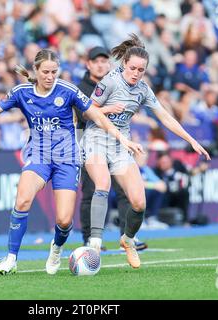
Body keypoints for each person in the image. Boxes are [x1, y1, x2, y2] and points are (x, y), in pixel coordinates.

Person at [0, 48, 143, 275]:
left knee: (63, 221)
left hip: (67, 159)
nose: (50, 77)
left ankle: (56, 248)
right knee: (22, 201)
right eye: (46, 72)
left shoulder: (68, 90)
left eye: (54, 72)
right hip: (38, 156)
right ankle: (11, 258)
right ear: (36, 71)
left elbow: (97, 115)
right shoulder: (21, 92)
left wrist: (121, 137)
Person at [81, 34, 210, 269]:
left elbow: (164, 117)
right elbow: (88, 111)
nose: (136, 73)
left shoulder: (142, 89)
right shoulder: (108, 82)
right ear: (124, 65)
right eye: (133, 68)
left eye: (141, 70)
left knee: (139, 203)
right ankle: (94, 244)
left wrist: (191, 140)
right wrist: (109, 108)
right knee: (102, 185)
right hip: (96, 139)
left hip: (122, 145)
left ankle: (127, 241)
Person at [75, 46, 147, 250]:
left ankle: (127, 236)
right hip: (90, 140)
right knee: (92, 189)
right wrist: (105, 109)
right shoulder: (82, 87)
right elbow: (82, 115)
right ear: (88, 64)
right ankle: (90, 237)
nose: (100, 65)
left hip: (117, 143)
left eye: (104, 61)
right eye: (96, 61)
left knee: (124, 191)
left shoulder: (117, 84)